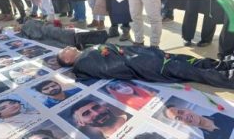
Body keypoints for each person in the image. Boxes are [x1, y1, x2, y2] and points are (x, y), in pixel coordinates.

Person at [57, 44, 234, 89]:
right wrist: (139, 61)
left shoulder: (87, 51)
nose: (67, 47)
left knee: (188, 60)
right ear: (67, 60)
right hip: (145, 64)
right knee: (193, 71)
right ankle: (229, 77)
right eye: (64, 50)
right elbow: (113, 67)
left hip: (146, 56)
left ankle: (225, 64)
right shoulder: (84, 63)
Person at [162, 104, 234, 139]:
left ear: (187, 109)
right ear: (182, 124)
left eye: (181, 112)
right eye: (179, 118)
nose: (185, 117)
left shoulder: (221, 114)